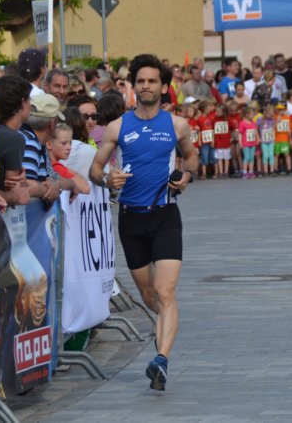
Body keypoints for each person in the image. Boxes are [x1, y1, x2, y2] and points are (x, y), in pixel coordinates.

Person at [89, 54, 198, 392]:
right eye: (141, 81)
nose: (146, 86)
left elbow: (191, 155)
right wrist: (107, 179)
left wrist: (187, 176)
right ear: (133, 87)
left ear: (164, 87)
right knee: (150, 295)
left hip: (165, 215)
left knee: (165, 291)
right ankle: (166, 323)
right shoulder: (117, 127)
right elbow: (95, 169)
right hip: (131, 219)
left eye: (152, 81)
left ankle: (161, 359)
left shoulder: (177, 125)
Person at [0, 75, 32, 203]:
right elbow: (14, 189)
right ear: (22, 102)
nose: (31, 105)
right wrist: (23, 184)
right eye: (29, 99)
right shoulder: (14, 139)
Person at [45, 123, 90, 194]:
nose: (69, 147)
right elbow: (86, 188)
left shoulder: (56, 165)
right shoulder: (56, 167)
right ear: (49, 144)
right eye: (64, 143)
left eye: (70, 143)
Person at [239, 106, 260, 178]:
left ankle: (251, 171)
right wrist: (240, 142)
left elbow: (255, 131)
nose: (253, 116)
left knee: (251, 157)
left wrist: (258, 138)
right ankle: (244, 172)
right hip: (246, 143)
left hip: (252, 143)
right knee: (247, 157)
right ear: (247, 115)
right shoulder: (242, 123)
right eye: (252, 114)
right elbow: (240, 133)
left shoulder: (253, 123)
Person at [197, 99, 216, 179]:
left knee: (213, 157)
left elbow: (213, 129)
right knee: (204, 157)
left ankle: (216, 172)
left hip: (211, 140)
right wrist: (199, 140)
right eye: (208, 107)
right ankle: (204, 173)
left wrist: (213, 140)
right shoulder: (200, 119)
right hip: (204, 141)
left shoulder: (211, 117)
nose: (210, 108)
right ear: (204, 108)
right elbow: (199, 131)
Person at [213, 103, 232, 178]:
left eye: (218, 112)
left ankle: (226, 172)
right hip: (218, 142)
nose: (216, 113)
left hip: (227, 142)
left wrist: (232, 137)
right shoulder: (214, 119)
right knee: (219, 158)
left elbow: (233, 127)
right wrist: (213, 140)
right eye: (216, 111)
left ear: (224, 112)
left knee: (227, 158)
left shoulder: (228, 119)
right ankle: (221, 172)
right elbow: (213, 130)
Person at [274, 102, 292, 174]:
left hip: (285, 139)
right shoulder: (274, 117)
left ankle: (289, 169)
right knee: (276, 154)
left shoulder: (287, 118)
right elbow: (272, 128)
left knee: (286, 154)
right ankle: (275, 169)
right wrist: (277, 121)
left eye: (282, 109)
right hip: (277, 139)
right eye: (279, 109)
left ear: (285, 110)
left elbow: (289, 129)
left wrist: (290, 139)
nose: (280, 111)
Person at [258, 103, 275, 176]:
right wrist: (258, 137)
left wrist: (274, 137)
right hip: (264, 141)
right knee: (265, 155)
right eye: (270, 114)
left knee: (271, 155)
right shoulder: (260, 119)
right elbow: (256, 128)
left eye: (272, 114)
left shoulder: (272, 120)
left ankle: (272, 170)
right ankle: (265, 170)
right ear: (266, 113)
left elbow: (274, 129)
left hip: (271, 140)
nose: (272, 115)